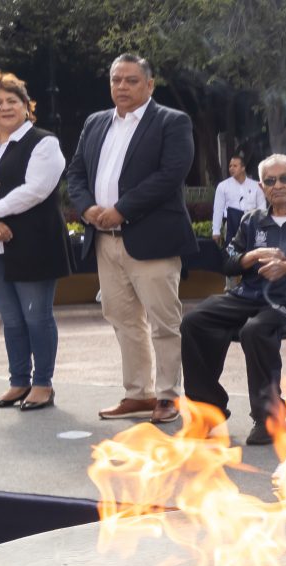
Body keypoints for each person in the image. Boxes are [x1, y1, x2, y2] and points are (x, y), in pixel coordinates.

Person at [67, 53, 197, 424]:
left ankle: (170, 396)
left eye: (131, 80)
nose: (121, 87)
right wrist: (87, 208)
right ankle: (138, 394)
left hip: (151, 239)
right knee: (122, 319)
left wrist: (122, 208)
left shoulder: (172, 121)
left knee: (164, 321)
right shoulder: (95, 123)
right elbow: (75, 173)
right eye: (116, 80)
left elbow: (171, 174)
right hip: (104, 241)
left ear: (150, 85)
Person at [181, 154, 286, 446]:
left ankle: (269, 417)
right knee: (194, 321)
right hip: (250, 295)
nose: (277, 185)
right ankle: (207, 409)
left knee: (254, 330)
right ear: (261, 187)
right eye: (269, 180)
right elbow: (227, 263)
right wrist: (248, 257)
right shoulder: (252, 220)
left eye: (284, 179)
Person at [0, 71, 71, 411]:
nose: (5, 107)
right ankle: (18, 381)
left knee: (37, 316)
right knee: (11, 318)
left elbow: (37, 188)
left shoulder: (44, 142)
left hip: (33, 242)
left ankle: (42, 384)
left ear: (26, 105)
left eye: (12, 101)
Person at [211, 154, 266, 246]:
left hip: (251, 223)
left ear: (243, 168)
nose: (231, 168)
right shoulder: (223, 186)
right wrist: (216, 231)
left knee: (250, 252)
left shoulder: (256, 186)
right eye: (230, 166)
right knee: (231, 252)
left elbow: (262, 208)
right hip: (231, 224)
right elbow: (218, 209)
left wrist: (262, 228)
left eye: (235, 166)